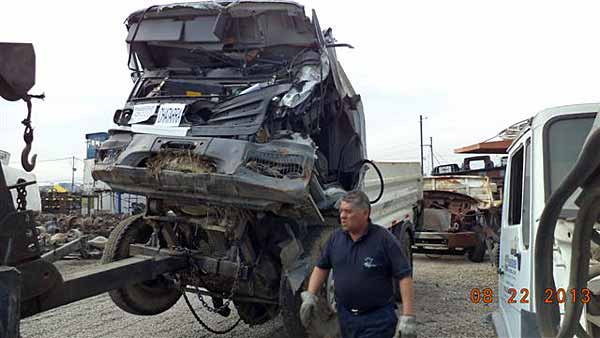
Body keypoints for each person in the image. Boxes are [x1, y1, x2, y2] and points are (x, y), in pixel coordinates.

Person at [299, 190, 416, 338]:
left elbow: (404, 275)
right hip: (345, 318)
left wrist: (408, 316)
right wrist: (310, 295)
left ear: (365, 213)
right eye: (341, 211)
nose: (342, 216)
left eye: (348, 211)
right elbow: (321, 267)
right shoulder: (335, 239)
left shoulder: (384, 240)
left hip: (377, 320)